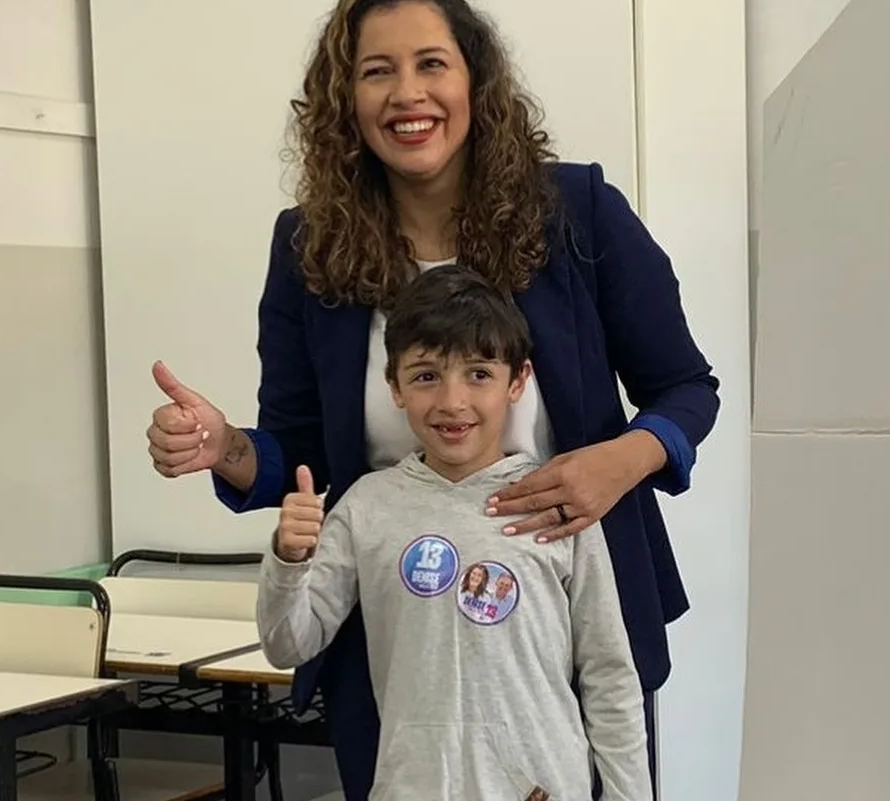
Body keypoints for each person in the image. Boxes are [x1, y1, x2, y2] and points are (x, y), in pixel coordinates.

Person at [143, 0, 718, 801]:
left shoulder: (578, 211)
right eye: (377, 71)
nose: (407, 94)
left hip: (565, 622)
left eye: (430, 64)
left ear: (474, 81)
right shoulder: (309, 245)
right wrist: (223, 447)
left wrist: (618, 461)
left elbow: (686, 388)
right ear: (346, 102)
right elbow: (300, 451)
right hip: (400, 642)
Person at [259, 264, 650, 801]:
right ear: (393, 387)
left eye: (479, 374)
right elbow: (287, 644)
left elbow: (609, 674)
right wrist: (288, 559)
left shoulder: (557, 502)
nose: (452, 402)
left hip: (544, 788)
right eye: (425, 375)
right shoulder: (367, 507)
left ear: (518, 381)